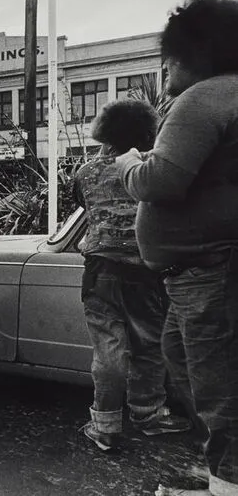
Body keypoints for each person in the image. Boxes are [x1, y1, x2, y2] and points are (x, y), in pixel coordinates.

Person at [115, 0, 238, 496]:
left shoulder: (205, 97)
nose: (163, 66)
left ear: (195, 51)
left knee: (219, 389)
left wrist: (128, 165)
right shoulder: (226, 96)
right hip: (206, 269)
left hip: (210, 270)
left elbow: (161, 181)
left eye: (170, 55)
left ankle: (226, 486)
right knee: (181, 358)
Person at [74, 99, 191, 453]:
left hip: (100, 271)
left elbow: (84, 205)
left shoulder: (86, 173)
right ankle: (148, 414)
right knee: (148, 346)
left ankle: (105, 426)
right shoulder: (152, 169)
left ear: (104, 134)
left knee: (108, 349)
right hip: (145, 271)